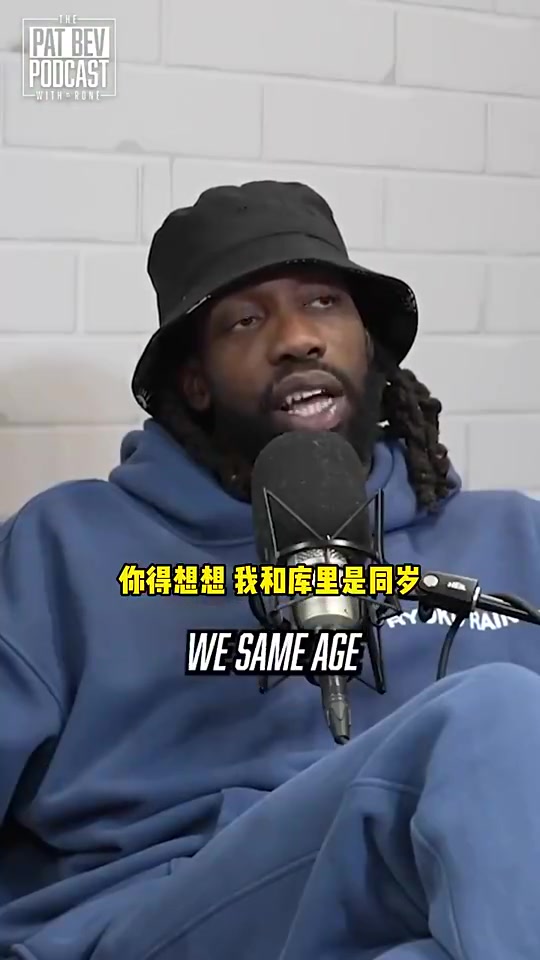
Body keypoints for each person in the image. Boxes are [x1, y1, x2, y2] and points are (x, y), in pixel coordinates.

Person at [1, 180, 540, 960]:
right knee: (493, 713)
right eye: (246, 320)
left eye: (324, 303)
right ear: (194, 381)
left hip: (426, 927)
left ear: (369, 345)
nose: (297, 338)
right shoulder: (62, 548)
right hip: (159, 924)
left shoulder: (512, 538)